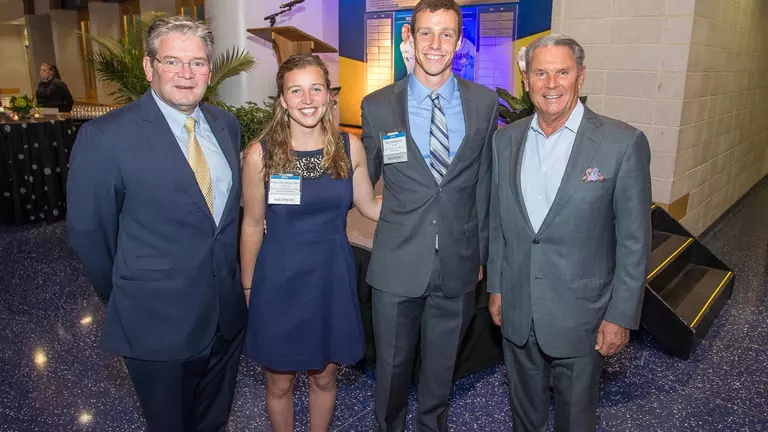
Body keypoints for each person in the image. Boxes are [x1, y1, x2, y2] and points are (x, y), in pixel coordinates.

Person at [66, 16, 246, 432]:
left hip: (225, 316)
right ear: (150, 68)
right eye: (173, 61)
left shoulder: (225, 125)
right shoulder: (106, 136)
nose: (187, 73)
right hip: (156, 322)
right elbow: (90, 232)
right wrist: (126, 291)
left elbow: (223, 221)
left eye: (198, 63)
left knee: (213, 422)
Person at [487, 34, 651, 431]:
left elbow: (634, 240)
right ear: (526, 80)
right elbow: (498, 222)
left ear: (581, 76)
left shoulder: (622, 143)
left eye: (562, 72)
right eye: (540, 73)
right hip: (518, 306)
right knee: (523, 414)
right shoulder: (505, 140)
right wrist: (497, 286)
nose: (552, 83)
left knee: (576, 419)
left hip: (583, 313)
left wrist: (621, 315)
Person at [360, 0, 499, 430]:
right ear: (410, 38)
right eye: (426, 32)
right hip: (397, 263)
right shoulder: (378, 105)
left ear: (459, 41)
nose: (435, 44)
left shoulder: (484, 102)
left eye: (446, 34)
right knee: (392, 375)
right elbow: (359, 176)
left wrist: (484, 257)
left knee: (441, 377)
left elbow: (485, 185)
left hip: (458, 266)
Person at [240, 53, 381, 432]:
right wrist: (249, 286)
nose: (307, 99)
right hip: (278, 281)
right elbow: (252, 224)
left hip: (330, 279)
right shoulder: (261, 155)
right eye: (296, 90)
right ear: (283, 99)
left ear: (329, 95)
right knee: (280, 382)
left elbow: (369, 205)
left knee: (324, 377)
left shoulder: (348, 148)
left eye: (315, 88)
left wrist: (432, 203)